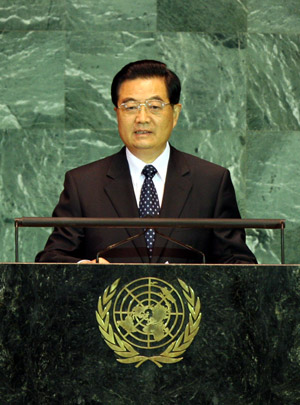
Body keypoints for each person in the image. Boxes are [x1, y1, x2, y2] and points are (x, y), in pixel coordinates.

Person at [35, 60, 257, 264]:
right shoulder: (83, 184)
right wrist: (87, 270)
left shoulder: (211, 182)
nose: (142, 118)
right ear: (117, 114)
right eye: (130, 107)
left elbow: (239, 263)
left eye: (154, 106)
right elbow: (51, 259)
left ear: (175, 114)